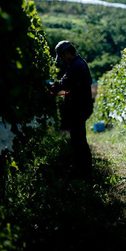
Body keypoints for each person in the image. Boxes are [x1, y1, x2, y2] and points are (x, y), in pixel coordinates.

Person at [50, 41, 93, 178]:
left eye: (62, 56)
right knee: (79, 139)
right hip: (82, 106)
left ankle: (84, 172)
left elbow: (63, 84)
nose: (62, 60)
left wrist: (49, 86)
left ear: (67, 53)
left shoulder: (75, 66)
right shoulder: (80, 62)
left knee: (78, 141)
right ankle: (83, 170)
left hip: (78, 108)